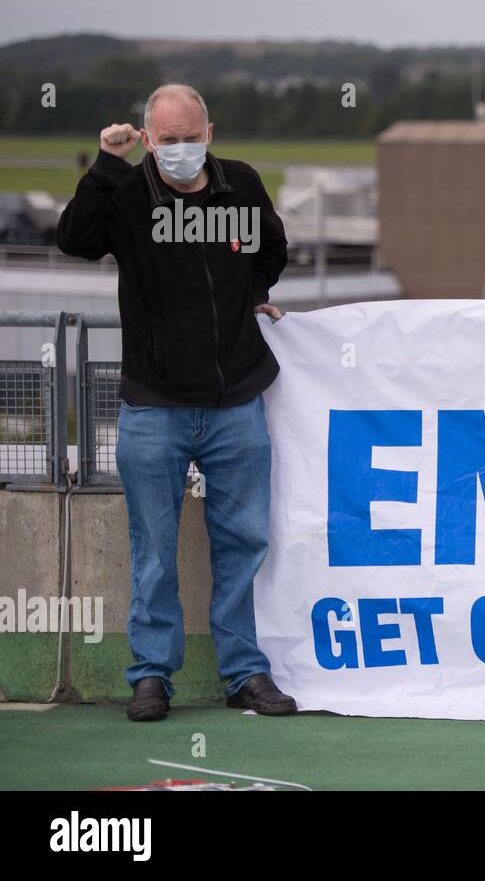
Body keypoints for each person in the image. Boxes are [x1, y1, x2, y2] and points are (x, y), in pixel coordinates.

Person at [56, 83, 297, 721]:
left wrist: (250, 293)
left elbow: (272, 247)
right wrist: (105, 165)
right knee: (155, 549)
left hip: (236, 402)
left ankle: (244, 674)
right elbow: (75, 239)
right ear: (147, 137)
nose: (182, 149)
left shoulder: (241, 185)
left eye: (192, 137)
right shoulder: (128, 194)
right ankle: (151, 676)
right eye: (168, 139)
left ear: (209, 134)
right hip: (152, 405)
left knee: (242, 542)